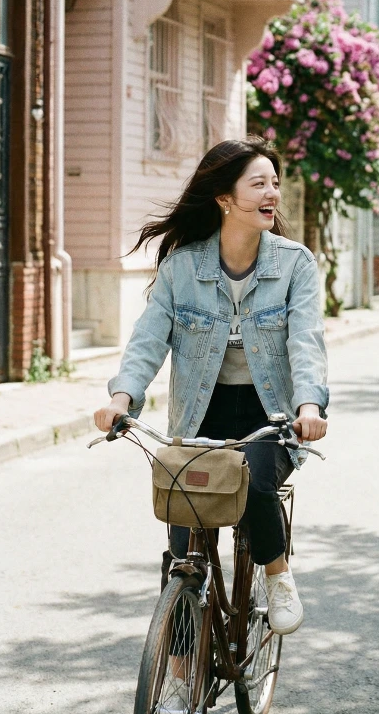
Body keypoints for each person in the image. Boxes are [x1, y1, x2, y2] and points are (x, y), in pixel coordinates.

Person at [94, 137, 328, 640]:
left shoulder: (295, 264)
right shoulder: (183, 267)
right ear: (224, 198)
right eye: (258, 184)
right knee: (185, 544)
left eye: (275, 184)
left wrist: (309, 404)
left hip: (272, 414)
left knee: (257, 481)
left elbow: (306, 342)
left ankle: (277, 572)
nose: (272, 194)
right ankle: (177, 674)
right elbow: (149, 338)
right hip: (201, 415)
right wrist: (121, 398)